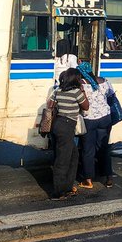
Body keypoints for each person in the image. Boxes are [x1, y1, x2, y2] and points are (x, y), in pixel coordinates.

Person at [46, 67, 88, 200]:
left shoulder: (58, 90)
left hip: (58, 124)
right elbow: (86, 106)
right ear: (76, 79)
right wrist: (83, 91)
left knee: (73, 156)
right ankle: (58, 192)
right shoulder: (77, 92)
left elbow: (50, 104)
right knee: (62, 160)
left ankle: (68, 187)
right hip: (67, 126)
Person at [77, 61, 118, 189]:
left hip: (89, 119)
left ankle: (88, 180)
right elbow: (112, 97)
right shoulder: (104, 81)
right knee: (104, 148)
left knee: (88, 150)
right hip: (105, 118)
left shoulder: (81, 84)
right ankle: (109, 178)